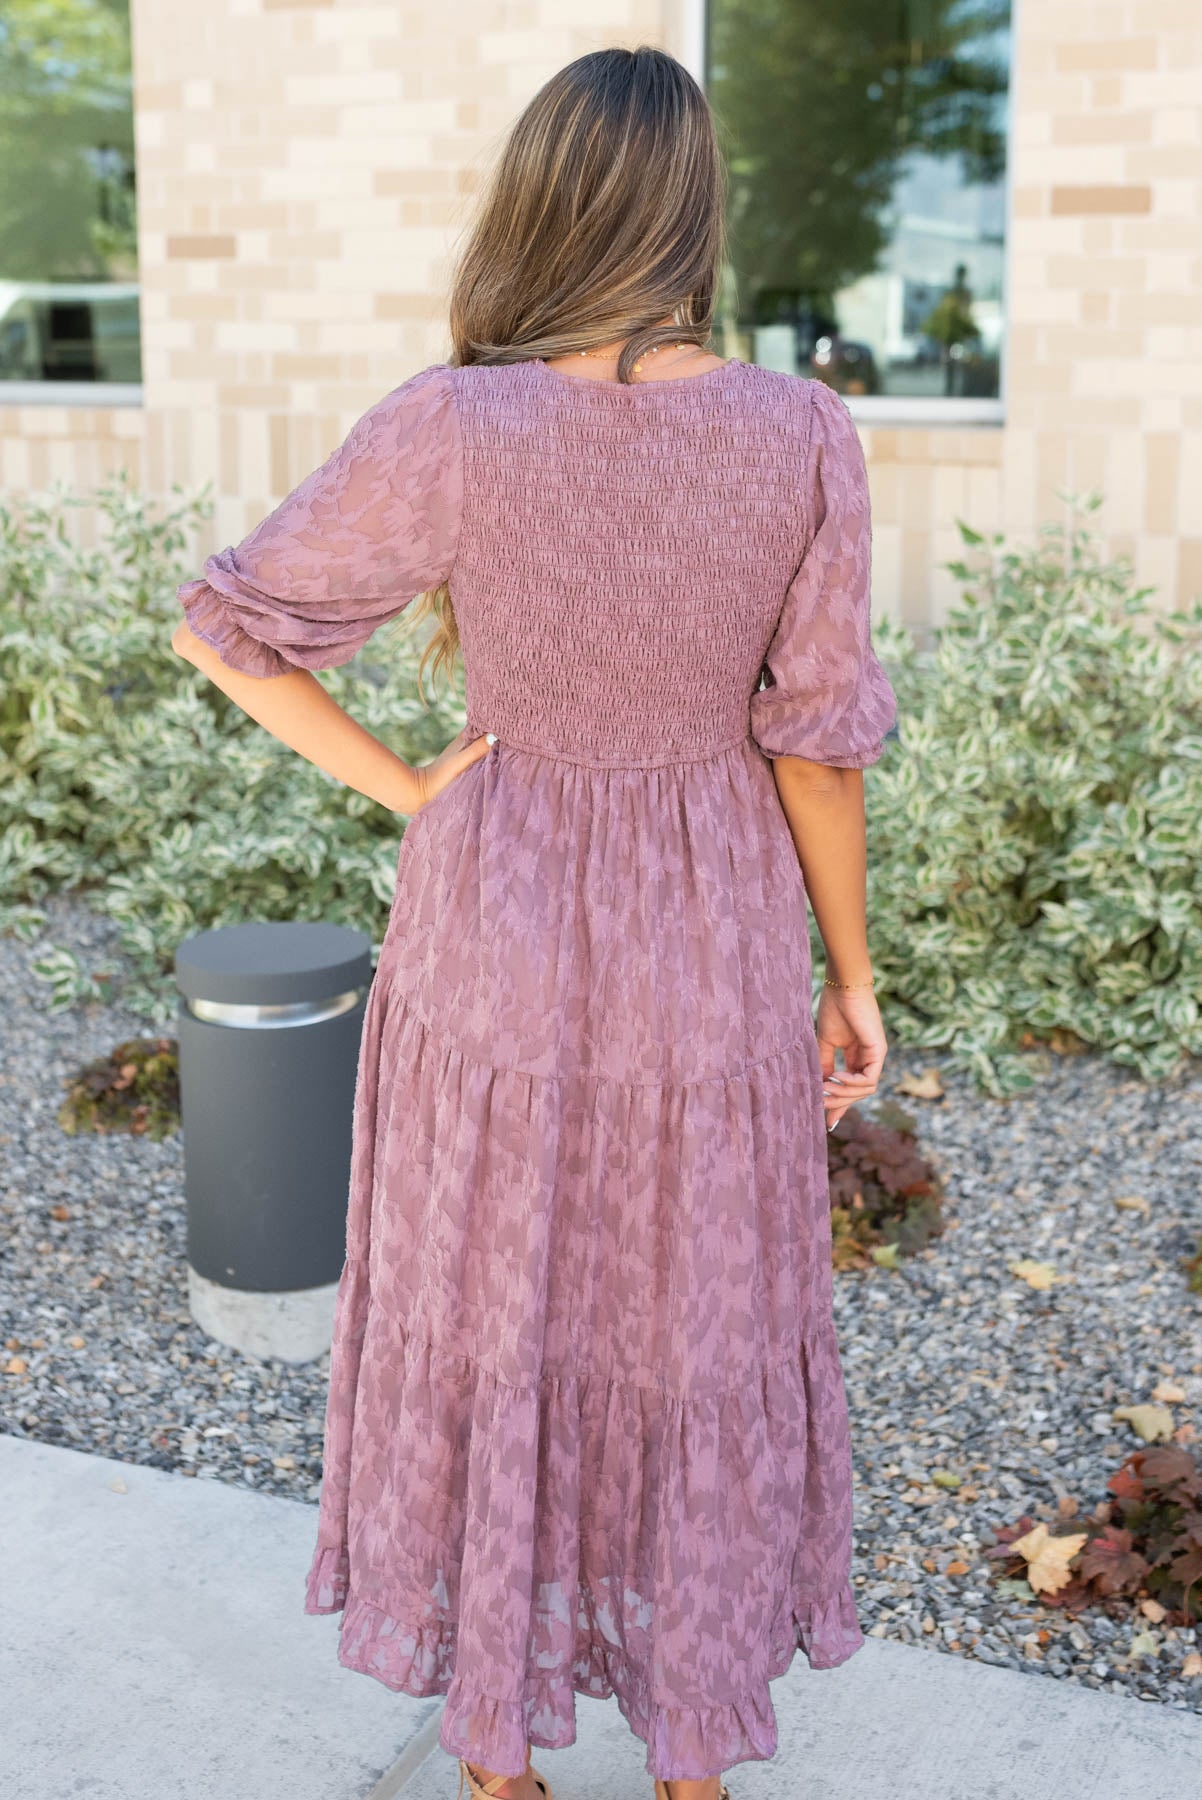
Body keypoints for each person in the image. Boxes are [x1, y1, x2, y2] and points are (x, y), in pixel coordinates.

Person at [171, 44, 896, 1800]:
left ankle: (498, 1756)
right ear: (697, 211)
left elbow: (226, 624)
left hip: (491, 917)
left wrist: (414, 789)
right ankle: (690, 1752)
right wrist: (857, 982)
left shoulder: (456, 419)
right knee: (697, 1317)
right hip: (711, 930)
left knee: (497, 1299)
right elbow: (812, 751)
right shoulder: (797, 433)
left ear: (544, 203)